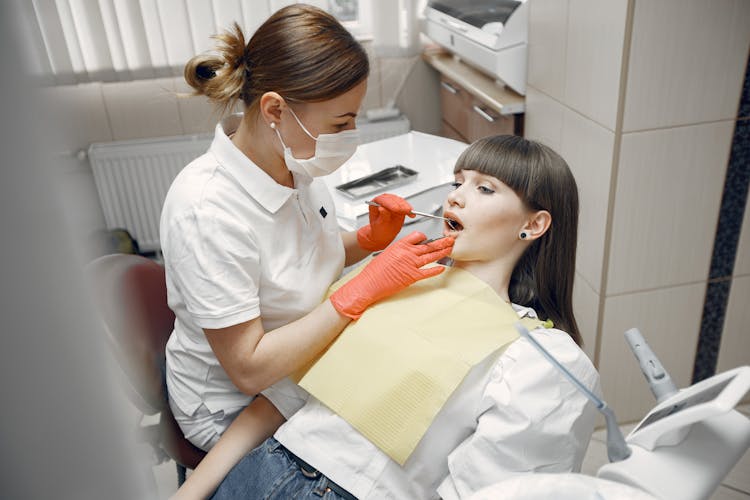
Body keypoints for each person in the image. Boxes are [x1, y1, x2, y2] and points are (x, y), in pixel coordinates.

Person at [178, 134, 601, 499]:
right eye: (458, 183)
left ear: (534, 224)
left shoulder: (539, 358)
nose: (455, 196)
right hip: (256, 474)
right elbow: (276, 404)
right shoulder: (387, 280)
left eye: (485, 189)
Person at [159, 3, 454, 454]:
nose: (351, 134)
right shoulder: (207, 212)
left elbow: (296, 259)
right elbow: (249, 369)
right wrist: (356, 295)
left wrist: (366, 241)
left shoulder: (291, 162)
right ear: (275, 109)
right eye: (341, 122)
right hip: (233, 405)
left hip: (298, 366)